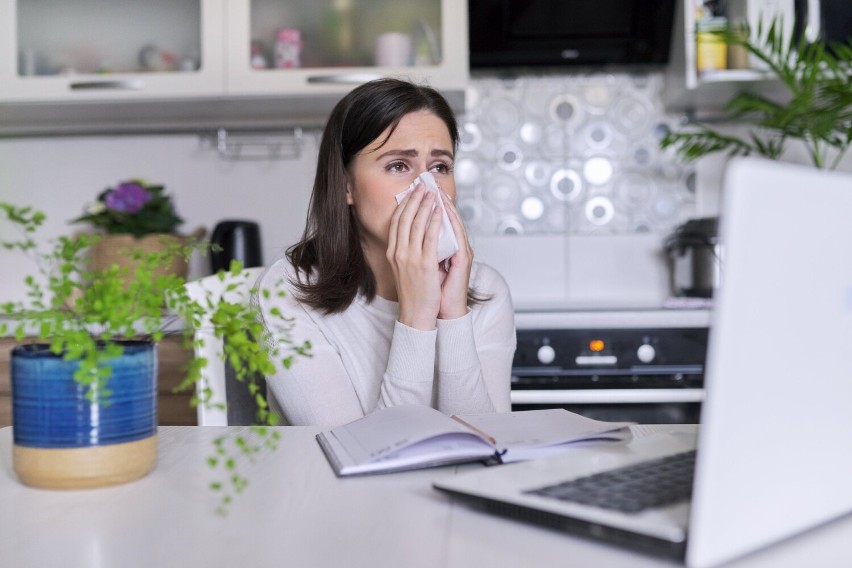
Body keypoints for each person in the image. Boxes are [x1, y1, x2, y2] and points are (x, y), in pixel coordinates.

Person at [254, 78, 516, 428]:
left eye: (440, 167)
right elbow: (361, 454)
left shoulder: (487, 290)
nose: (427, 189)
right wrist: (418, 315)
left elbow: (486, 443)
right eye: (398, 166)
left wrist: (453, 315)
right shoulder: (287, 292)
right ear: (346, 186)